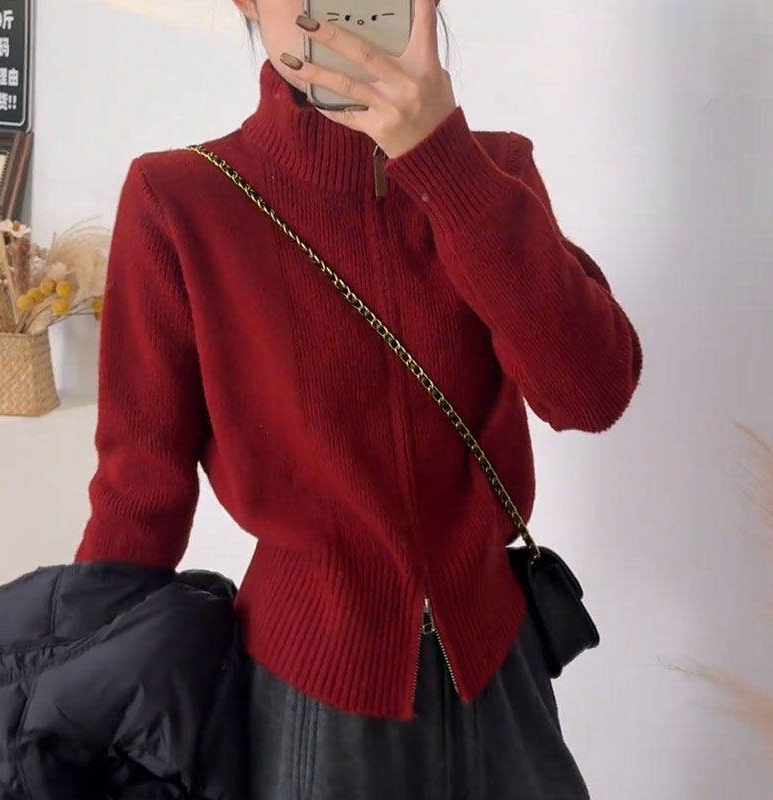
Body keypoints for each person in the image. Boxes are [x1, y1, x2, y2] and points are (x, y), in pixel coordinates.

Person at [73, 0, 643, 796]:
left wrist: (443, 164)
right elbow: (141, 490)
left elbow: (590, 393)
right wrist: (76, 710)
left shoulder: (494, 174)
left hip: (501, 673)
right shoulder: (181, 199)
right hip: (312, 700)